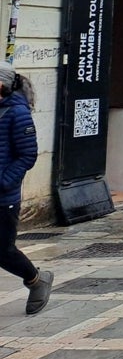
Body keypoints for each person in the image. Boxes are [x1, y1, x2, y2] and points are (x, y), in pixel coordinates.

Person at [0, 63, 51, 315]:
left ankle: (36, 280)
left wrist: (3, 181)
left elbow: (27, 154)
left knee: (2, 250)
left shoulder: (16, 113)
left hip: (3, 197)